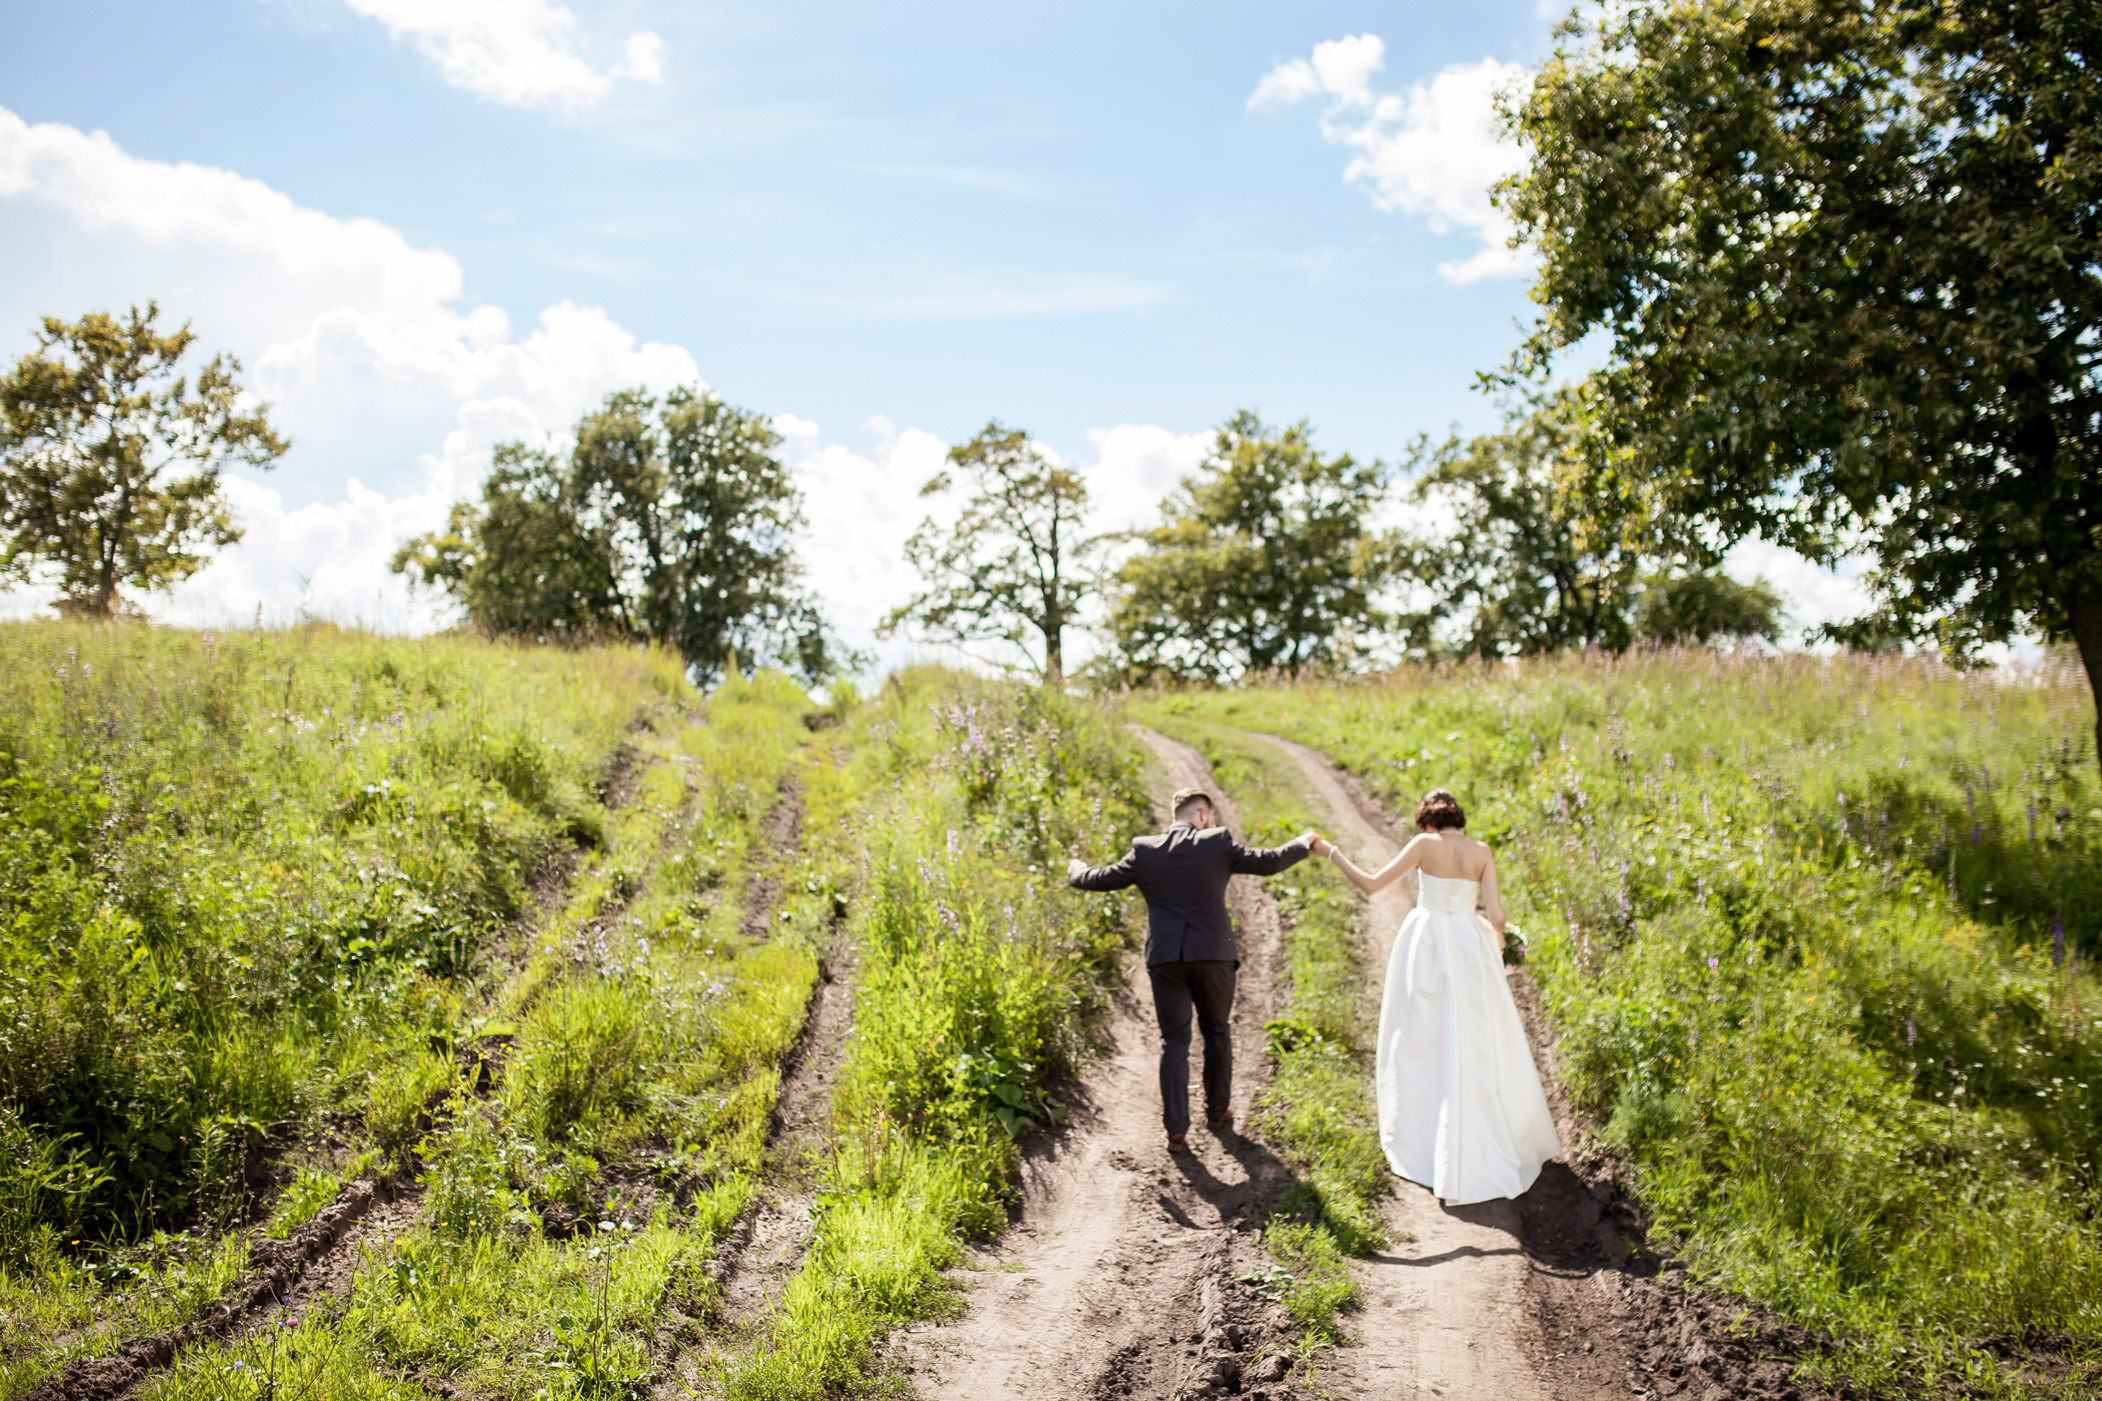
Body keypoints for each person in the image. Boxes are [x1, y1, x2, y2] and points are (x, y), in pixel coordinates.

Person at [1311, 788, 1560, 1204]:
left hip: (1427, 947)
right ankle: (1479, 1134)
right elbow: (1495, 914)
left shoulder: (1425, 844)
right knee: (1472, 1040)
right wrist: (1500, 945)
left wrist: (1330, 852)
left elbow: (1373, 885)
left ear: (1428, 820)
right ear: (1459, 819)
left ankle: (1426, 1138)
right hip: (1468, 947)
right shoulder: (1481, 850)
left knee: (1419, 1040)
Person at [1068, 787, 1316, 1152]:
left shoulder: (1144, 850)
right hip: (1215, 954)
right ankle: (1217, 1111)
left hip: (1166, 958)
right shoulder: (1217, 842)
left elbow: (1098, 879)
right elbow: (1267, 862)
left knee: (1174, 1041)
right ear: (1202, 814)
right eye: (1209, 818)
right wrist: (1302, 842)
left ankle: (1176, 1130)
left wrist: (1077, 870)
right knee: (1216, 1030)